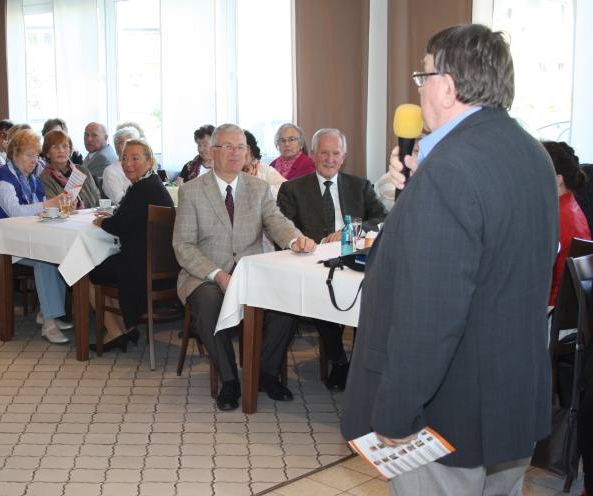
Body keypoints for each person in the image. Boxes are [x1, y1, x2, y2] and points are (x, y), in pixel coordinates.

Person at [341, 24, 558, 495]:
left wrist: (396, 412)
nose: (418, 90)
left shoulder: (450, 169)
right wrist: (418, 188)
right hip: (509, 398)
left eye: (422, 77)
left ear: (448, 85)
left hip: (447, 413)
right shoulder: (531, 153)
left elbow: (430, 313)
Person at [173, 123, 316, 411]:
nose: (236, 153)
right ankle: (229, 380)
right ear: (213, 152)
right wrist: (218, 275)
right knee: (208, 301)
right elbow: (183, 246)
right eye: (228, 146)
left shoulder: (259, 188)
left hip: (251, 272)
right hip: (206, 274)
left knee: (287, 302)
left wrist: (295, 240)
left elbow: (277, 223)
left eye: (241, 147)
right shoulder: (191, 191)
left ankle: (263, 372)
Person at [277, 128, 387, 391]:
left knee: (372, 294)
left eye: (335, 153)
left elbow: (383, 218)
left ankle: (361, 363)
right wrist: (316, 242)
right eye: (324, 152)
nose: (329, 159)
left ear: (344, 156)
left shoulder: (361, 186)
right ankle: (338, 360)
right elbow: (284, 226)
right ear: (312, 154)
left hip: (354, 259)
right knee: (322, 293)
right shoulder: (292, 189)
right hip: (314, 263)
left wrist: (352, 231)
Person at [0, 128, 73, 344]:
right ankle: (49, 322)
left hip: (22, 241)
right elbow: (16, 211)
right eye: (29, 155)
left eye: (36, 155)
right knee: (45, 260)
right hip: (1, 245)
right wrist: (50, 203)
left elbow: (38, 209)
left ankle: (47, 313)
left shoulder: (31, 179)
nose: (34, 160)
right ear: (14, 154)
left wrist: (60, 207)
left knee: (56, 255)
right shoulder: (2, 178)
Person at [89, 139, 174, 352]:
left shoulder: (142, 188)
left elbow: (118, 224)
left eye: (135, 158)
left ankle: (115, 331)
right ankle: (124, 328)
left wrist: (101, 221)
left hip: (140, 270)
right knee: (103, 264)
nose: (128, 164)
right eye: (124, 158)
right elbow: (130, 219)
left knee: (84, 269)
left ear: (150, 160)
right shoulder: (153, 184)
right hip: (163, 269)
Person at [543, 141, 592, 306]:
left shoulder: (555, 217)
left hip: (551, 310)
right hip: (572, 313)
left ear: (558, 179)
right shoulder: (572, 208)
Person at [38, 129, 100, 209]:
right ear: (47, 153)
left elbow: (97, 199)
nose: (61, 151)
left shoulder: (82, 171)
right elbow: (51, 210)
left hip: (91, 218)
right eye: (55, 147)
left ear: (70, 150)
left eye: (65, 146)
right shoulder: (43, 179)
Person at [101, 126, 141, 203]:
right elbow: (119, 200)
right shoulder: (110, 171)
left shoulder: (142, 167)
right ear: (116, 147)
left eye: (134, 143)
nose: (130, 147)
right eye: (125, 143)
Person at [242, 130, 285, 197]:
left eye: (242, 147)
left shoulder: (265, 171)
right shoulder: (224, 172)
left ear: (252, 152)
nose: (237, 153)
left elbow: (286, 191)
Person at [82, 122, 118, 186]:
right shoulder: (103, 150)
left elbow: (79, 183)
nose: (89, 139)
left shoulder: (102, 157)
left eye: (94, 135)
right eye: (86, 134)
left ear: (106, 138)